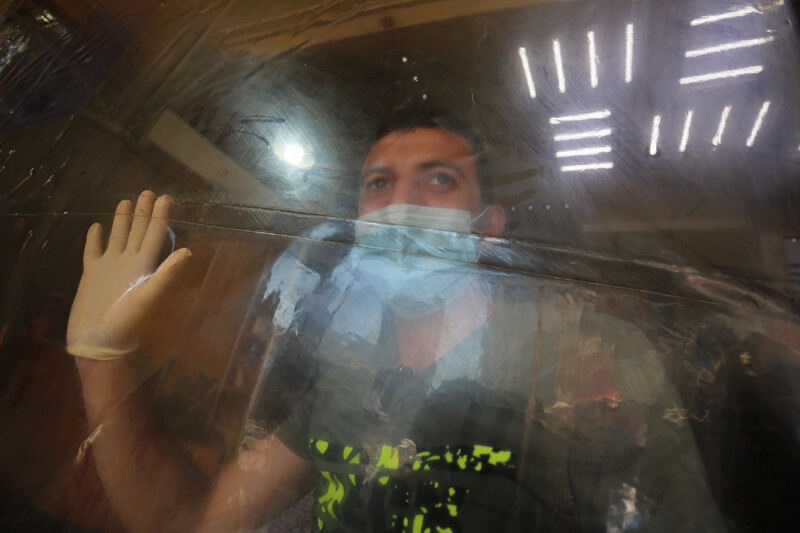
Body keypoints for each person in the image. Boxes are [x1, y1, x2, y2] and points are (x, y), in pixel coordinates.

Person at [67, 109, 723, 532]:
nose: (400, 203)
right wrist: (101, 357)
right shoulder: (350, 366)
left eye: (438, 180)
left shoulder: (586, 356)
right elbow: (196, 521)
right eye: (379, 184)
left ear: (488, 228)